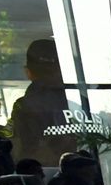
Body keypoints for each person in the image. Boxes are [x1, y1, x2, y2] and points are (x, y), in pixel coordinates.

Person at [8, 38, 70, 166]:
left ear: (28, 72)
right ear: (62, 70)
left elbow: (21, 151)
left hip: (44, 171)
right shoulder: (82, 101)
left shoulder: (24, 107)